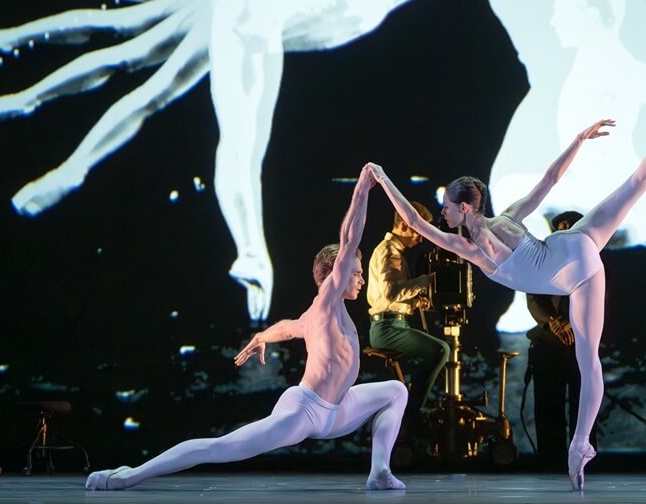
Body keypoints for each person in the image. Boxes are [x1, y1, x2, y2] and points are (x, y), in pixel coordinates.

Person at [367, 81, 646, 490]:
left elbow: (414, 222)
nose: (443, 211)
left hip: (577, 273)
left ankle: (579, 444)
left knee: (590, 365)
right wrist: (577, 139)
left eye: (447, 205)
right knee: (637, 182)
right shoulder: (509, 216)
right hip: (577, 242)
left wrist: (382, 177)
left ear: (464, 208)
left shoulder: (475, 248)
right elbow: (551, 178)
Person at [84, 165, 407, 491]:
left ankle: (379, 472)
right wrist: (363, 189)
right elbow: (349, 239)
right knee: (220, 448)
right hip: (306, 411)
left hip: (337, 411)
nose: (361, 278)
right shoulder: (326, 301)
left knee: (395, 391)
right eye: (355, 272)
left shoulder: (322, 314)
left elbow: (290, 327)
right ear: (331, 277)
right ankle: (129, 474)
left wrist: (261, 336)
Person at [366, 202, 450, 431]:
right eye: (417, 231)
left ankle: (408, 410)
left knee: (438, 349)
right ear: (403, 225)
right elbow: (391, 293)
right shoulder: (388, 252)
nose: (420, 239)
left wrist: (414, 302)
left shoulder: (394, 252)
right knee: (441, 350)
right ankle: (410, 416)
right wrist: (428, 280)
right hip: (387, 329)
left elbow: (393, 296)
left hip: (394, 323)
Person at [525, 209, 593, 470]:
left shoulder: (591, 260)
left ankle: (583, 459)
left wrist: (574, 324)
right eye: (559, 226)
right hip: (548, 343)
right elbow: (534, 297)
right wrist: (553, 322)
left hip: (581, 342)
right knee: (548, 404)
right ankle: (550, 460)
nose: (563, 229)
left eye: (569, 225)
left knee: (582, 406)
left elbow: (600, 300)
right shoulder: (542, 260)